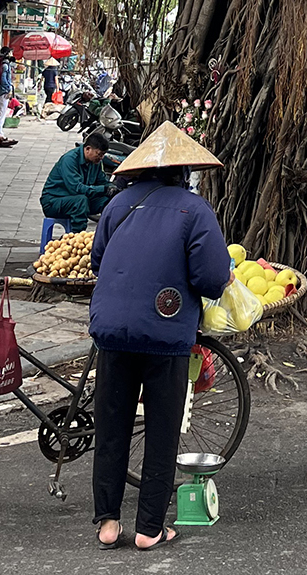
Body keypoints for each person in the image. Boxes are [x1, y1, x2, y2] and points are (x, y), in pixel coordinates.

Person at [87, 121, 231, 549]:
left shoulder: (118, 205)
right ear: (182, 172)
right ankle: (150, 527)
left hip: (112, 331)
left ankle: (108, 523)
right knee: (162, 429)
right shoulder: (196, 210)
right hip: (165, 334)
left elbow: (99, 261)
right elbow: (210, 277)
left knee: (111, 427)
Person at [41, 130, 113, 232]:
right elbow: (77, 189)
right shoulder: (69, 160)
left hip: (78, 199)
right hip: (54, 202)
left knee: (110, 200)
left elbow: (102, 181)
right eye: (99, 154)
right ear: (88, 149)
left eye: (103, 155)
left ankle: (107, 234)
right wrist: (104, 189)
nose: (101, 158)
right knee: (81, 201)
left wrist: (112, 188)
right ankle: (75, 237)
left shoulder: (95, 163)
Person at [0, 53, 14, 131]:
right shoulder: (5, 66)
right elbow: (3, 79)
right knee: (1, 114)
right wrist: (8, 88)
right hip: (3, 92)